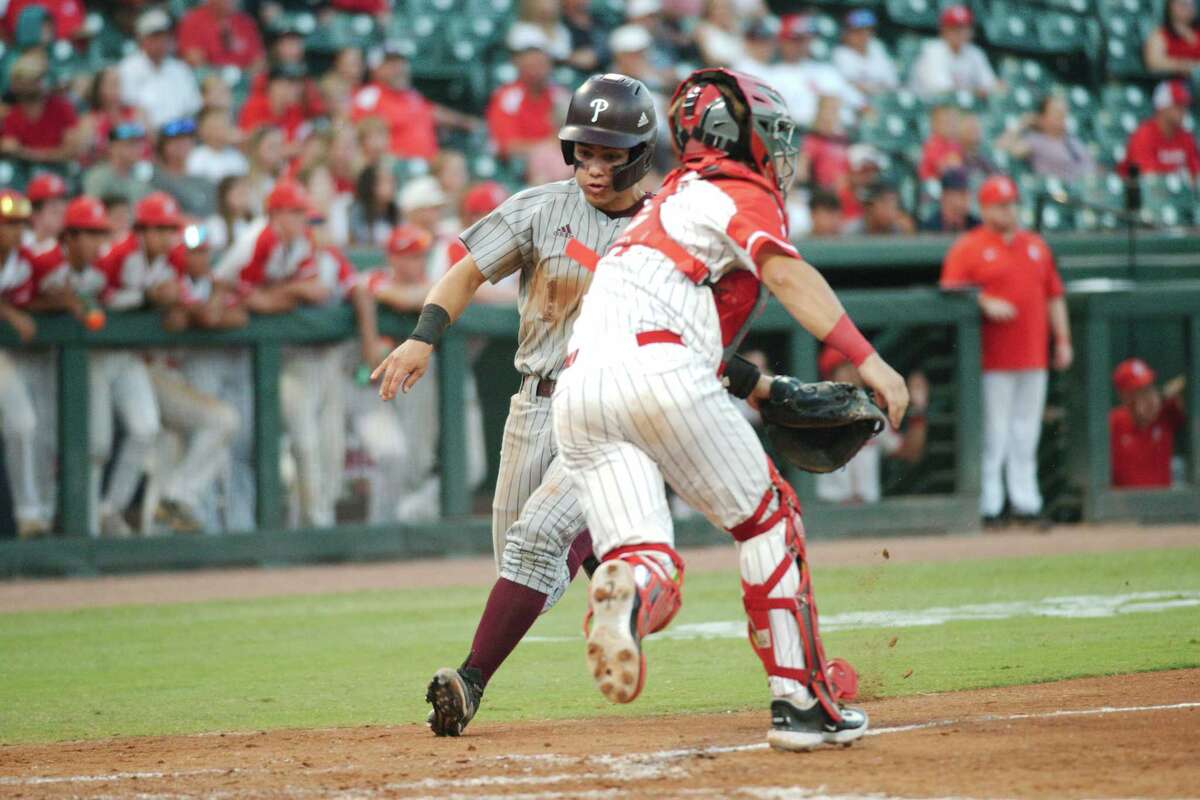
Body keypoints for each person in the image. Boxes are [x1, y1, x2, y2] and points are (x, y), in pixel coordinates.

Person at [543, 67, 906, 750]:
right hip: (661, 372)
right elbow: (785, 272)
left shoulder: (659, 206)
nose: (779, 148)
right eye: (770, 133)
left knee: (645, 554)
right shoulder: (733, 188)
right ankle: (801, 702)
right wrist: (868, 358)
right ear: (737, 136)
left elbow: (678, 329)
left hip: (581, 390)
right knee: (768, 518)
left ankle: (630, 594)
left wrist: (764, 390)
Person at [372, 74, 659, 737]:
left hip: (614, 410)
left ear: (639, 155)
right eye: (585, 151)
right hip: (536, 401)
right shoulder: (541, 207)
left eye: (610, 154)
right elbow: (468, 271)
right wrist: (422, 338)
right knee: (520, 560)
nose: (594, 167)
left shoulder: (666, 225)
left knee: (538, 541)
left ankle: (469, 681)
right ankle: (620, 580)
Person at [940, 175, 1072, 526]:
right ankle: (990, 506)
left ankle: (1025, 503)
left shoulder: (1035, 245)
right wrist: (983, 301)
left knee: (1026, 432)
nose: (1008, 211)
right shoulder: (969, 246)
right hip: (991, 358)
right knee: (994, 433)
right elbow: (949, 289)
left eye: (1011, 204)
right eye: (1000, 205)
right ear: (984, 209)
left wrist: (1063, 340)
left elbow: (1054, 295)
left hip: (1033, 354)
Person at [28, 197, 163, 537]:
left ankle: (109, 511)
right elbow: (21, 295)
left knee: (146, 429)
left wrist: (145, 299)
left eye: (99, 233)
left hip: (118, 354)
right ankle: (82, 528)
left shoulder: (111, 259)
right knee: (95, 444)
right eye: (88, 234)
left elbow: (122, 297)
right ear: (69, 236)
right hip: (69, 361)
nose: (96, 241)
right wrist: (51, 303)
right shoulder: (44, 261)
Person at [215, 180, 345, 527]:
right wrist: (283, 296)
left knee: (251, 444)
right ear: (276, 214)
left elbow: (312, 291)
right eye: (297, 212)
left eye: (304, 212)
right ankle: (225, 525)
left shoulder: (298, 242)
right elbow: (238, 295)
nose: (304, 219)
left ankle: (255, 525)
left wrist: (279, 295)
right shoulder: (256, 241)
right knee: (232, 442)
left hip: (257, 354)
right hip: (221, 349)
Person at [350, 224, 487, 523]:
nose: (418, 262)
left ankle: (407, 518)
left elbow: (417, 297)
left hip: (421, 382)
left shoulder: (433, 285)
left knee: (433, 465)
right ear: (393, 258)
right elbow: (361, 287)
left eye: (421, 255)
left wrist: (402, 296)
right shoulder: (375, 278)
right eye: (410, 255)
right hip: (369, 386)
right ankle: (386, 529)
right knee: (397, 458)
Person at [815, 347, 929, 504]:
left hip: (867, 510)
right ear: (830, 376)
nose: (853, 374)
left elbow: (909, 452)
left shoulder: (872, 414)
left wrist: (918, 411)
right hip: (827, 508)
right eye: (845, 368)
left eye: (856, 368)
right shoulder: (815, 415)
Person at [0, 190, 49, 538]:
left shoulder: (26, 259)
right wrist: (10, 314)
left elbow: (40, 295)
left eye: (20, 224)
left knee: (25, 424)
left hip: (9, 357)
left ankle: (31, 514)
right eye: (8, 224)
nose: (16, 231)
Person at [351, 42, 475, 162]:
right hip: (396, 166)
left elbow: (432, 112)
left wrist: (468, 123)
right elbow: (360, 133)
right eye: (391, 64)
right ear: (375, 69)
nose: (398, 68)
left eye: (401, 62)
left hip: (428, 164)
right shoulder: (368, 96)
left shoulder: (411, 94)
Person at [766, 15, 865, 128]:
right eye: (796, 39)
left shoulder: (826, 70)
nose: (802, 44)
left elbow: (861, 104)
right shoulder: (772, 76)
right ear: (781, 42)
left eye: (806, 38)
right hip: (801, 133)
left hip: (846, 131)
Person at [485, 29, 570, 161]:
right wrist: (549, 147)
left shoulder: (560, 96)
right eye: (531, 66)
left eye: (541, 65)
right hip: (520, 163)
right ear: (519, 68)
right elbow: (508, 147)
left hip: (556, 159)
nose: (536, 72)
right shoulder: (507, 99)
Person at [117, 8, 203, 130]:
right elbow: (128, 111)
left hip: (181, 133)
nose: (161, 41)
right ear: (141, 39)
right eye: (154, 37)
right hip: (144, 135)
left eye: (164, 36)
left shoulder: (181, 69)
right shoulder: (127, 68)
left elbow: (193, 109)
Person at [1109, 359, 1186, 488]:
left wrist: (1167, 395)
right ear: (1125, 397)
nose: (1149, 395)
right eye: (1140, 390)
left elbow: (1187, 384)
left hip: (1164, 499)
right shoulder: (1113, 423)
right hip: (1126, 499)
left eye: (1149, 387)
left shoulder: (1167, 413)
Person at [0, 50, 83, 166]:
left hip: (59, 169)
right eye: (21, 81)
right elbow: (8, 147)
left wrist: (25, 153)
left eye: (34, 80)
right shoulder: (10, 114)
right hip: (24, 170)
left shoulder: (62, 107)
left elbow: (71, 150)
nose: (26, 86)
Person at [995, 95, 1097, 183]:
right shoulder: (1035, 141)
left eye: (1064, 113)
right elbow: (1001, 147)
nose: (1063, 118)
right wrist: (1022, 123)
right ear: (1042, 118)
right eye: (1057, 114)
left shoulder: (1074, 141)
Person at [909, 5, 999, 100]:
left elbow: (994, 87)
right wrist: (978, 91)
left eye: (965, 28)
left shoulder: (975, 53)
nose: (960, 33)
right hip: (925, 105)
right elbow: (942, 91)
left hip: (961, 106)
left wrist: (987, 90)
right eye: (954, 28)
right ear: (944, 29)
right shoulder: (932, 50)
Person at [1119, 80, 1200, 179]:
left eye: (1184, 105)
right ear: (1162, 107)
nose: (1183, 110)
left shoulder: (1186, 137)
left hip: (1175, 187)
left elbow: (1196, 174)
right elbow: (1150, 177)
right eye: (1177, 105)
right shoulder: (1144, 135)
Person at [151, 118, 217, 218]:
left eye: (187, 140)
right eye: (175, 140)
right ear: (163, 145)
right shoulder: (154, 178)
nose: (182, 144)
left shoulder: (204, 181)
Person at [176, 0, 265, 71]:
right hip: (210, 80)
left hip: (244, 80)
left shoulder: (245, 22)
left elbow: (259, 61)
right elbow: (194, 61)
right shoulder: (193, 21)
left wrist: (244, 78)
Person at [238, 62, 313, 147]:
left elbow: (298, 141)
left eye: (299, 84)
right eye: (290, 84)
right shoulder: (255, 106)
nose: (298, 90)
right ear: (273, 86)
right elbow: (252, 147)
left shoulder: (294, 110)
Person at [82, 122, 154, 206]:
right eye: (130, 144)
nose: (137, 149)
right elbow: (92, 208)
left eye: (139, 144)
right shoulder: (99, 177)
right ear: (113, 147)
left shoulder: (142, 175)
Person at [832, 10, 899, 98]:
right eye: (857, 31)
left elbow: (892, 82)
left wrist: (874, 88)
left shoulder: (877, 47)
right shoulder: (839, 53)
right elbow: (849, 86)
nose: (862, 35)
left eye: (867, 30)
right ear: (846, 32)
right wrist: (876, 88)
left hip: (884, 99)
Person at [187, 107, 250, 184]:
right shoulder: (197, 157)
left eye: (224, 125)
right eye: (216, 127)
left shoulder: (237, 156)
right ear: (203, 130)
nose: (221, 130)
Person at [1144, 0, 1200, 74]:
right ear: (1170, 6)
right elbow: (1153, 63)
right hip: (1175, 79)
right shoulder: (1160, 35)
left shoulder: (1197, 32)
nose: (1188, 8)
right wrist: (1185, 66)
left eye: (1191, 5)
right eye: (1183, 4)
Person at [919, 168, 980, 232]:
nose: (958, 203)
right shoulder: (927, 228)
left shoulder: (977, 227)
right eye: (952, 196)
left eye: (963, 195)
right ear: (943, 197)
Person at [845, 181, 915, 235]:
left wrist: (909, 231)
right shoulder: (851, 231)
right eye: (886, 204)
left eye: (894, 205)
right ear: (870, 207)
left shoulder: (898, 228)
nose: (892, 210)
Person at [23, 173, 68, 255]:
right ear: (34, 214)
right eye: (54, 206)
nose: (62, 210)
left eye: (62, 202)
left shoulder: (68, 247)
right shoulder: (20, 244)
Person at [919, 104, 963, 180]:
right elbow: (944, 168)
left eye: (953, 121)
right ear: (934, 124)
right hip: (933, 183)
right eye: (946, 122)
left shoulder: (955, 144)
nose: (950, 126)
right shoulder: (931, 144)